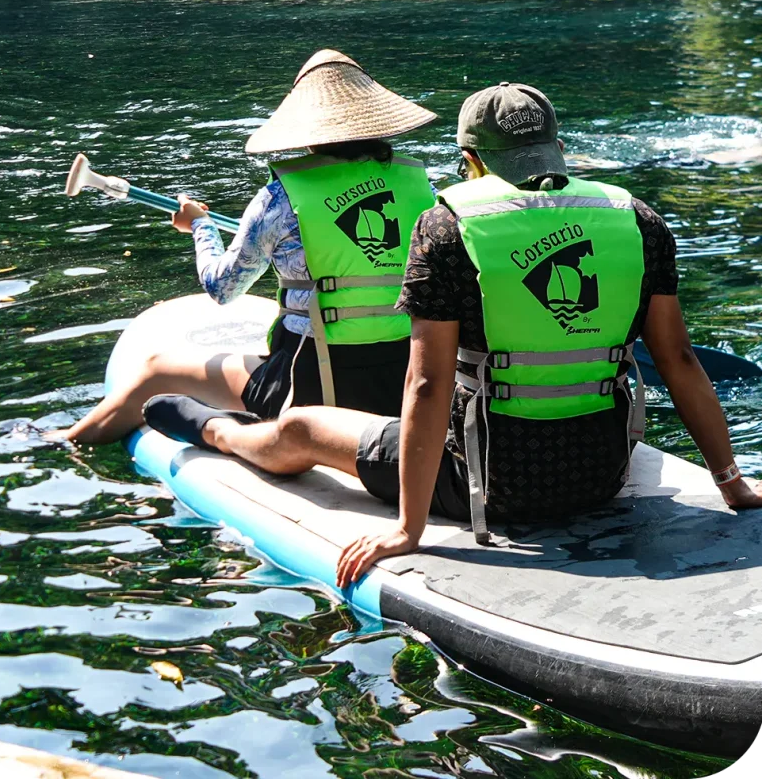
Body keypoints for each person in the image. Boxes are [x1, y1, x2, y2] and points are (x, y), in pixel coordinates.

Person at [142, 81, 762, 587]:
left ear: (470, 160)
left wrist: (407, 529)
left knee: (303, 426)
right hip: (604, 468)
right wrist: (730, 482)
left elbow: (428, 383)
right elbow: (679, 360)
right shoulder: (639, 219)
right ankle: (215, 422)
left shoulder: (447, 228)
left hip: (488, 485)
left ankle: (213, 430)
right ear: (558, 148)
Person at [48, 49, 437, 446]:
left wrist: (200, 226)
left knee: (154, 371)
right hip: (407, 380)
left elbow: (222, 288)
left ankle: (66, 441)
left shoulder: (280, 198)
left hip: (314, 387)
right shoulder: (423, 187)